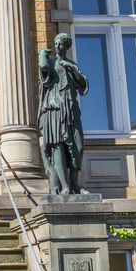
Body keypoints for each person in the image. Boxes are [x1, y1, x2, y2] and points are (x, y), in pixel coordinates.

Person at [38, 32, 89, 195]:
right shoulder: (51, 64)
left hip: (71, 108)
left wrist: (73, 70)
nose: (59, 47)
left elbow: (83, 86)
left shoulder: (71, 64)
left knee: (78, 146)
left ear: (66, 46)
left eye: (62, 44)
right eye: (57, 44)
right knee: (57, 146)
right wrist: (42, 55)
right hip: (55, 108)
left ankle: (75, 184)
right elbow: (44, 69)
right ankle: (65, 186)